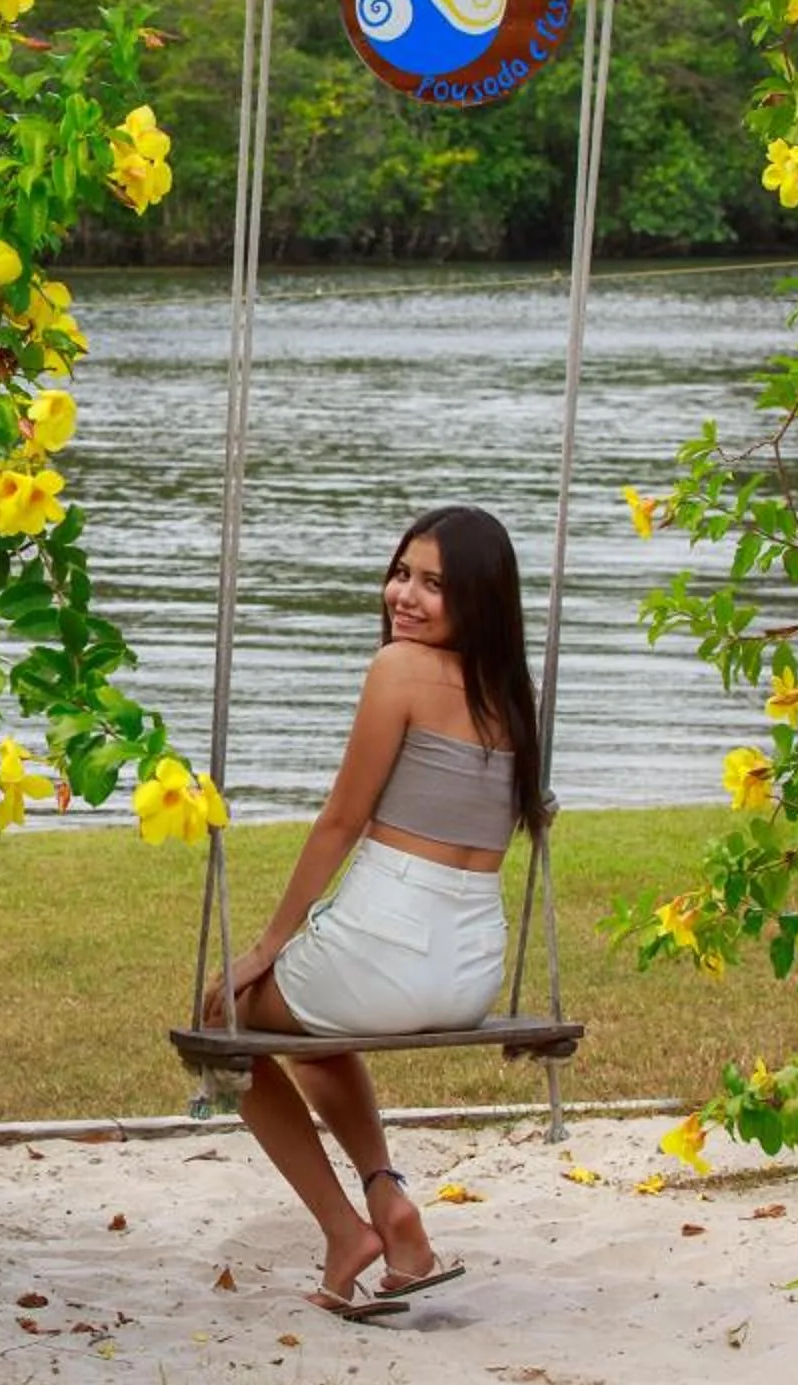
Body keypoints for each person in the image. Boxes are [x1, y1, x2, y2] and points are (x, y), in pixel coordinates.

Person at [203, 503, 547, 1319]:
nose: (406, 597)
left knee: (222, 1023)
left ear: (478, 599)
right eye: (402, 573)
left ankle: (344, 1230)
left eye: (434, 584)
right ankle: (392, 1208)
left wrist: (267, 945)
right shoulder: (515, 692)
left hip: (384, 950)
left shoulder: (398, 669)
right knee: (315, 1039)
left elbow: (341, 822)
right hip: (470, 971)